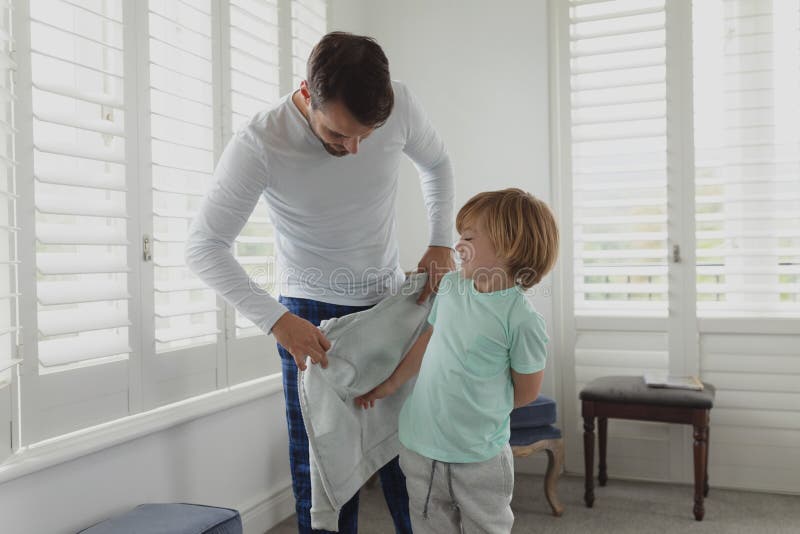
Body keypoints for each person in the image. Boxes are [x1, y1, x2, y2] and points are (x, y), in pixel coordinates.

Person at [185, 32, 455, 533]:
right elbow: (202, 246)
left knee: (412, 462)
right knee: (324, 475)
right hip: (308, 318)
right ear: (308, 94)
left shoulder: (403, 106)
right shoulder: (260, 141)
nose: (353, 149)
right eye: (338, 135)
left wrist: (441, 239)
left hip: (390, 307)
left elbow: (436, 163)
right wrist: (277, 322)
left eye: (365, 136)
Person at [355, 188, 560, 533]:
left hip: (479, 455)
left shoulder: (521, 320)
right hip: (421, 443)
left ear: (508, 245)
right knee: (429, 525)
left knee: (486, 527)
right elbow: (428, 340)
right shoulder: (450, 288)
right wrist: (391, 382)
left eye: (467, 237)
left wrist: (473, 408)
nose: (457, 245)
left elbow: (524, 393)